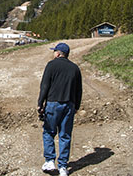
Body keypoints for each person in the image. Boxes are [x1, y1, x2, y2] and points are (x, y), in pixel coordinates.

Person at [37, 42, 82, 176]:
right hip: (69, 104)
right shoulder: (75, 68)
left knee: (49, 132)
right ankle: (63, 167)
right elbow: (79, 90)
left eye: (54, 51)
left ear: (57, 53)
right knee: (65, 135)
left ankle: (50, 161)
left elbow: (44, 86)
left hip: (53, 103)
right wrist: (76, 106)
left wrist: (40, 103)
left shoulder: (51, 65)